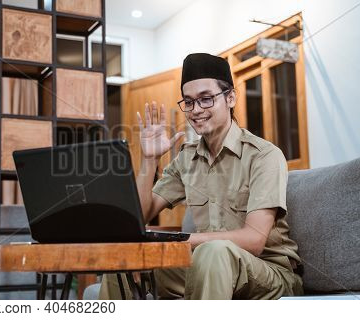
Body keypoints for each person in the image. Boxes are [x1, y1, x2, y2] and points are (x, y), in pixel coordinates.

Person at [99, 53, 303, 299]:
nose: (196, 110)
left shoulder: (264, 155)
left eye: (206, 99)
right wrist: (149, 159)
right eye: (189, 102)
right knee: (122, 263)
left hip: (269, 272)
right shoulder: (187, 158)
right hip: (207, 267)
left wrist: (182, 240)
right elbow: (140, 216)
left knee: (211, 252)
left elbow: (254, 240)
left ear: (230, 98)